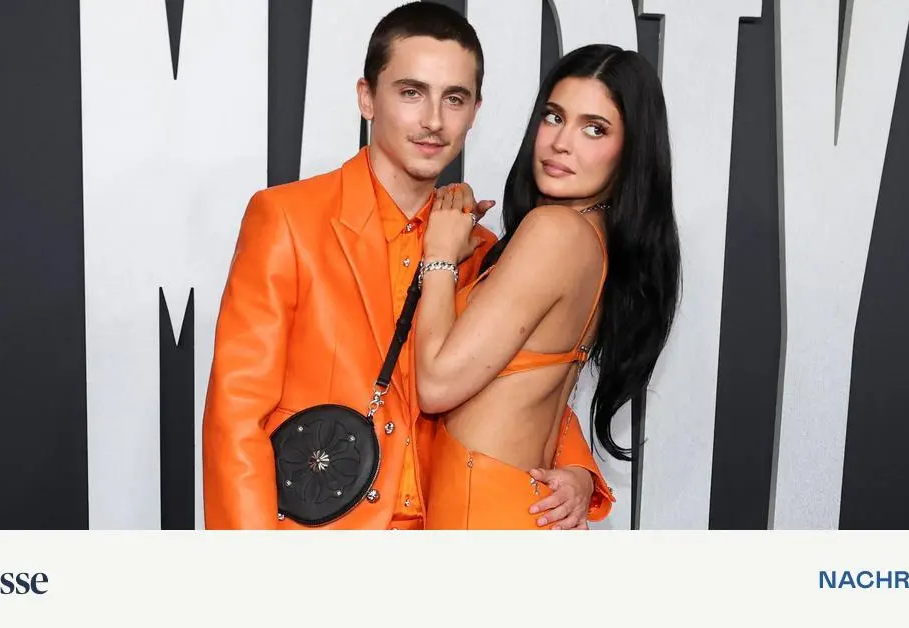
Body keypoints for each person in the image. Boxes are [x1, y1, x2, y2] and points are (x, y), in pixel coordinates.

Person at [202, 2, 614, 530]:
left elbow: (519, 378)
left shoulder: (480, 247)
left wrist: (577, 468)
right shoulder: (289, 219)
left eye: (454, 98)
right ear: (366, 97)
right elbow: (237, 414)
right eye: (411, 92)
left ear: (475, 111)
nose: (434, 121)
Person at [414, 44, 681, 529]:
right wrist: (580, 470)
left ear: (631, 151)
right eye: (554, 117)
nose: (561, 143)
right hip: (511, 501)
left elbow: (434, 386)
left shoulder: (555, 232)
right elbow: (531, 392)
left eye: (594, 129)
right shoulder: (594, 241)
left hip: (480, 505)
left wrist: (439, 255)